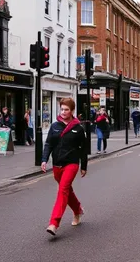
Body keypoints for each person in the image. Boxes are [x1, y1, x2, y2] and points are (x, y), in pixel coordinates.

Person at [41, 98, 88, 236]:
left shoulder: (78, 128)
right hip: (57, 164)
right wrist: (44, 160)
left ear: (72, 111)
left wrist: (83, 166)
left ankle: (54, 223)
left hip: (71, 163)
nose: (63, 112)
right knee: (67, 190)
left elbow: (83, 149)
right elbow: (49, 144)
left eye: (66, 109)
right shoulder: (55, 126)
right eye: (62, 109)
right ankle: (78, 210)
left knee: (62, 190)